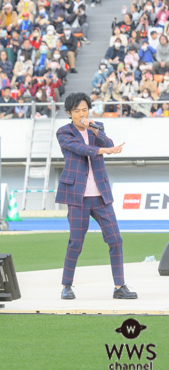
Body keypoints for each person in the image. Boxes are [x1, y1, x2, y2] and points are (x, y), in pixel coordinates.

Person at [56, 92, 137, 300]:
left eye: (85, 110)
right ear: (69, 113)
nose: (82, 114)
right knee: (76, 242)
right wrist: (105, 150)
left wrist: (96, 130)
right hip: (77, 196)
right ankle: (67, 285)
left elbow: (108, 142)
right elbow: (81, 149)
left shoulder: (95, 127)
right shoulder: (64, 132)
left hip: (101, 196)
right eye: (77, 111)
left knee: (116, 240)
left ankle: (119, 286)